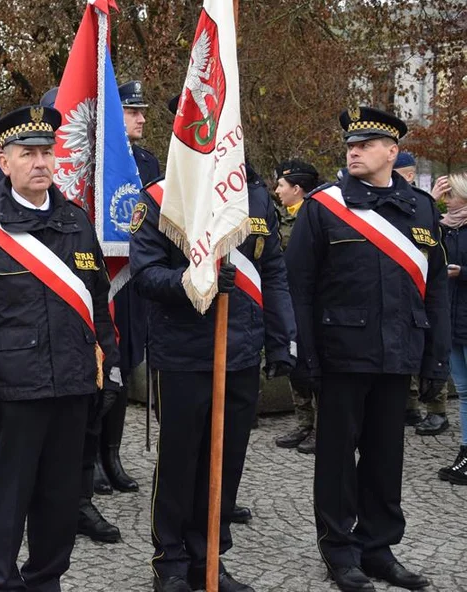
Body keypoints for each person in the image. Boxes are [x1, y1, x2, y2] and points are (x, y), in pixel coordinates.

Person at [0, 103, 121, 592]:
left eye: (47, 153)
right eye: (28, 154)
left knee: (62, 495)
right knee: (10, 493)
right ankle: (0, 581)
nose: (41, 162)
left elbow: (99, 303)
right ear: (4, 161)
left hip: (71, 382)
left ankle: (46, 578)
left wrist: (112, 369)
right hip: (13, 386)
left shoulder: (75, 222)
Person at [285, 106, 450, 592]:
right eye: (350, 144)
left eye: (366, 144)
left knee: (385, 457)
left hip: (398, 354)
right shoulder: (324, 205)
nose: (353, 150)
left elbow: (435, 288)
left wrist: (435, 358)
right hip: (341, 354)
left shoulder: (421, 207)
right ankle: (339, 551)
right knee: (336, 461)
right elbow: (300, 288)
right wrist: (305, 356)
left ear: (391, 152)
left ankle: (378, 548)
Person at [130, 158, 295, 592]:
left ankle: (210, 559)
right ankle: (170, 560)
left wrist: (282, 341)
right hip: (182, 354)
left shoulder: (254, 196)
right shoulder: (159, 198)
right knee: (180, 463)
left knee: (225, 464)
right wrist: (194, 280)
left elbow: (273, 272)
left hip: (239, 352)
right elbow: (145, 275)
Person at [94, 80, 160, 502]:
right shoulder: (98, 161)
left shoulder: (149, 163)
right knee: (102, 367)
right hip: (101, 278)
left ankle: (113, 453)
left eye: (142, 111)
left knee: (125, 360)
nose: (140, 118)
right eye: (132, 111)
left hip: (134, 280)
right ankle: (93, 458)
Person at [394, 152, 450, 435]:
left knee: (429, 350)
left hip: (424, 293)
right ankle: (411, 406)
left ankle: (437, 410)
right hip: (401, 294)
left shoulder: (422, 204)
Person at [270, 159, 322, 455]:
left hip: (311, 305)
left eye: (281, 185)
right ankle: (304, 421)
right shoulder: (280, 217)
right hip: (287, 302)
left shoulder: (316, 215)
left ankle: (321, 427)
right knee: (295, 363)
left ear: (297, 189)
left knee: (314, 366)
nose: (277, 190)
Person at [432, 172, 467, 485]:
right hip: (453, 320)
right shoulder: (444, 227)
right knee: (465, 391)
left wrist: (463, 273)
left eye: (449, 195)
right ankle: (466, 451)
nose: (446, 201)